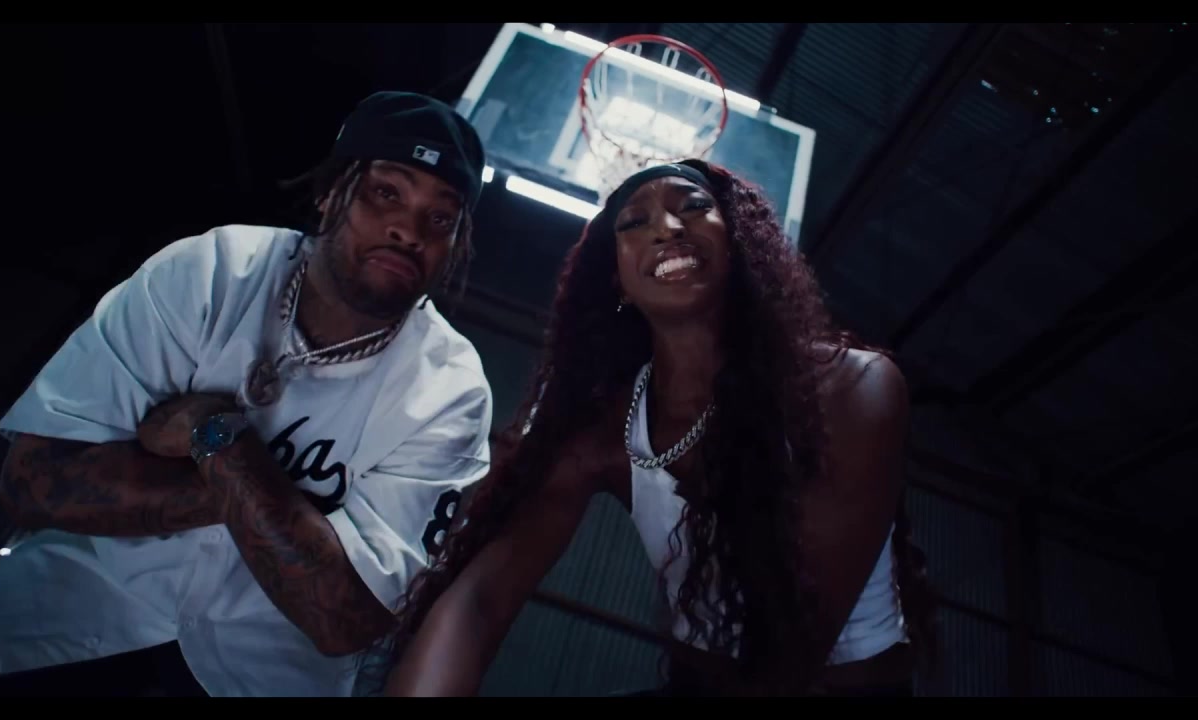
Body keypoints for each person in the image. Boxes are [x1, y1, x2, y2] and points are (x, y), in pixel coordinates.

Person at [0, 91, 494, 697]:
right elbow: (33, 479)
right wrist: (298, 518)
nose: (407, 230)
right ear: (330, 191)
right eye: (386, 192)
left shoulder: (451, 390)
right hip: (65, 623)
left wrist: (216, 436)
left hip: (257, 680)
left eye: (440, 219)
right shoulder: (213, 270)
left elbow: (347, 619)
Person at [377, 159, 937, 697]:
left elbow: (788, 658)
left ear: (738, 244)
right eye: (634, 223)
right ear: (619, 280)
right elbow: (479, 600)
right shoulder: (607, 427)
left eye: (692, 206)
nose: (667, 227)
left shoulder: (852, 386)